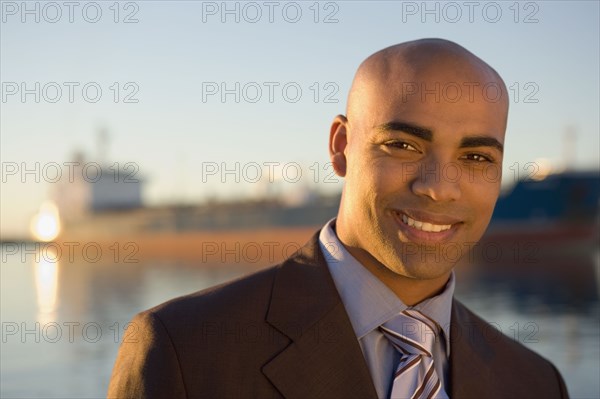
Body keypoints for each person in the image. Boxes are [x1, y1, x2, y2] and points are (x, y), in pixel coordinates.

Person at [108, 39, 569, 398]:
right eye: (403, 145)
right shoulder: (182, 349)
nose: (439, 186)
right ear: (340, 145)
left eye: (476, 156)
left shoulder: (537, 383)